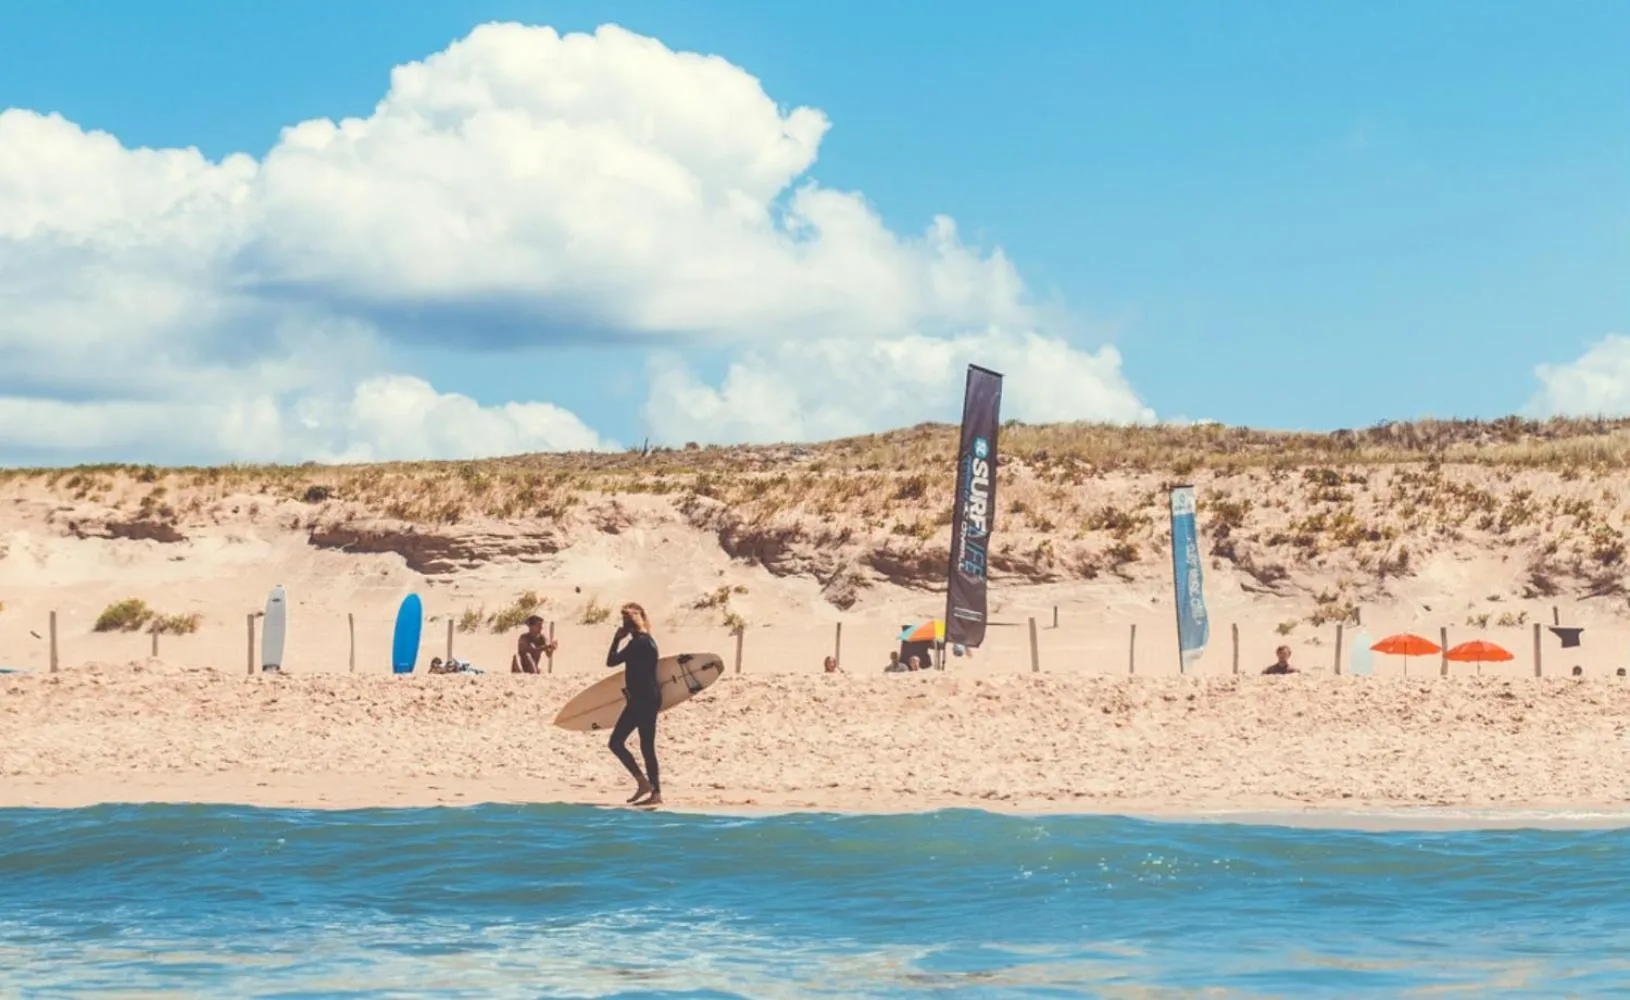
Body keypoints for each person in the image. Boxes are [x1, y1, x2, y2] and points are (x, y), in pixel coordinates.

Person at [605, 602, 663, 806]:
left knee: (619, 743)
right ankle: (649, 788)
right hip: (646, 698)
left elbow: (611, 661)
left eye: (624, 622)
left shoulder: (638, 643)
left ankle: (651, 789)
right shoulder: (649, 641)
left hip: (642, 700)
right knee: (641, 745)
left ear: (628, 625)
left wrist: (615, 639)